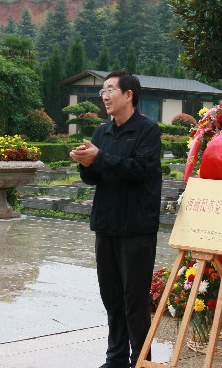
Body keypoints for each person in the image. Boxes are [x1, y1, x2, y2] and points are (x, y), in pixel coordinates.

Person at [69, 71, 162, 368]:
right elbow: (94, 178)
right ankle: (116, 358)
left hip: (136, 228)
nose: (105, 96)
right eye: (103, 91)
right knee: (111, 297)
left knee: (134, 300)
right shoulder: (102, 133)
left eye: (110, 90)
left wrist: (100, 158)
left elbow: (140, 170)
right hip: (106, 225)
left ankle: (141, 361)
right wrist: (86, 164)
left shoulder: (148, 131)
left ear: (129, 95)